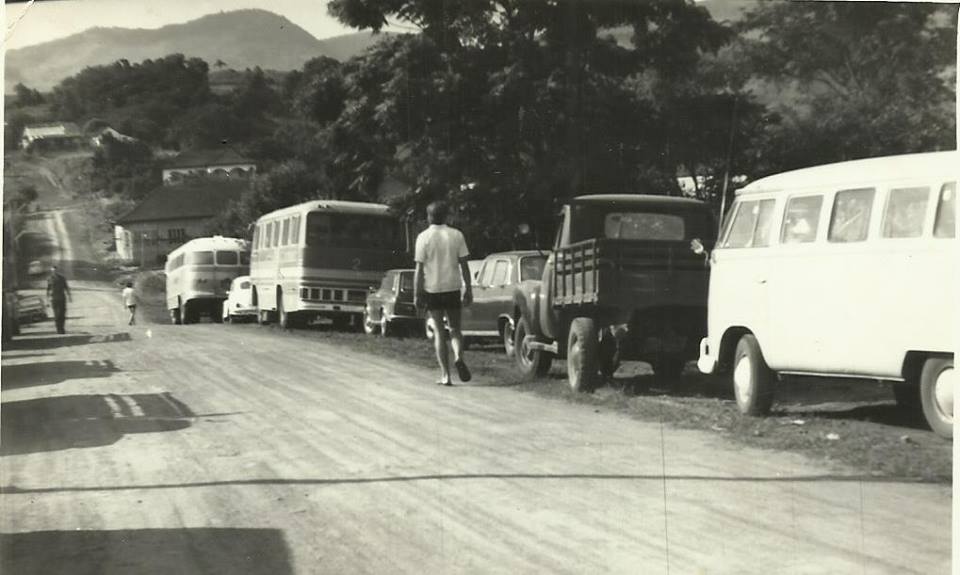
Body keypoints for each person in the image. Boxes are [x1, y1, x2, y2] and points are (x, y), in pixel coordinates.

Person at [414, 200, 473, 386]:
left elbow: (418, 269)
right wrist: (468, 289)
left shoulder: (423, 237)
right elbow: (464, 266)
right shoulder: (456, 235)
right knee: (455, 329)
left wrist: (417, 294)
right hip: (453, 288)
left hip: (433, 289)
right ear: (446, 216)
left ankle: (446, 375)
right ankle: (458, 356)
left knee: (439, 331)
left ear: (429, 217)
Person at [46, 265, 72, 334]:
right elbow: (48, 290)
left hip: (62, 298)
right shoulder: (49, 279)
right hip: (54, 299)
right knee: (56, 315)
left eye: (55, 271)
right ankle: (58, 329)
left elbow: (66, 287)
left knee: (62, 314)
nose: (54, 272)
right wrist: (47, 301)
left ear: (57, 271)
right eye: (53, 271)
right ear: (51, 271)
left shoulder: (62, 278)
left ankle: (62, 328)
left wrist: (69, 297)